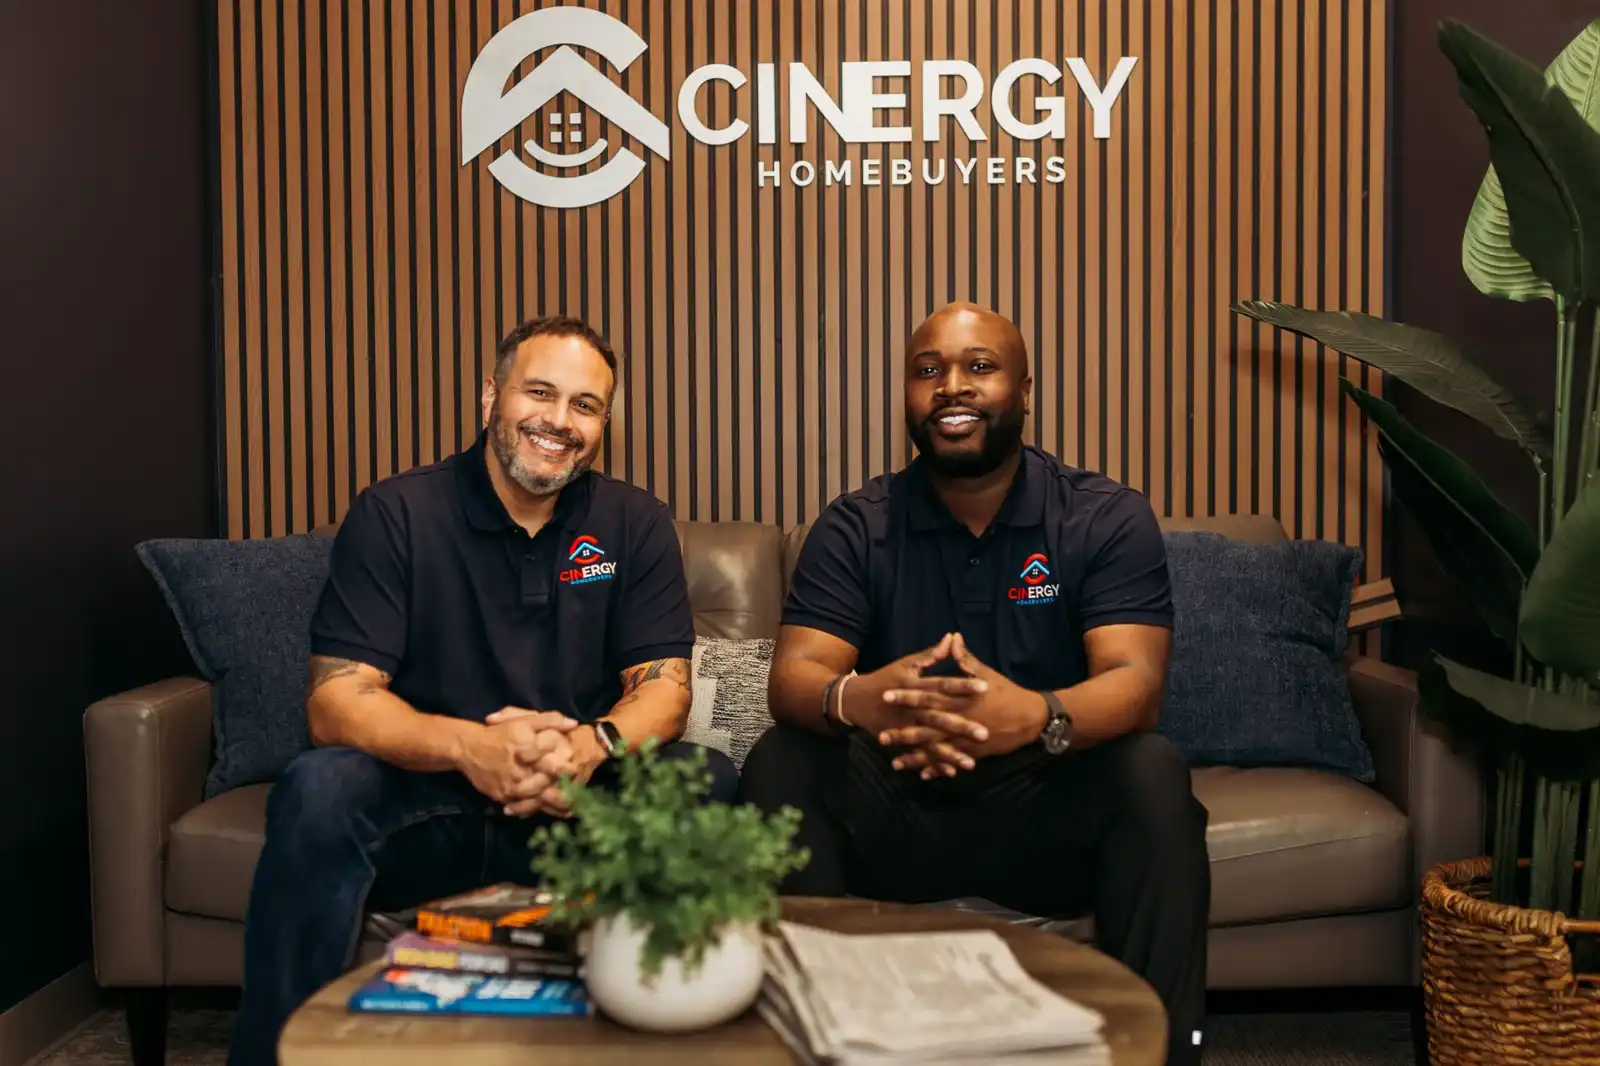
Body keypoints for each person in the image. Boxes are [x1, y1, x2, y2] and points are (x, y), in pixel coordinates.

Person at [228, 315, 736, 1066]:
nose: (559, 421)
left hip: (576, 808)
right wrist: (472, 748)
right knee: (318, 787)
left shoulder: (634, 522)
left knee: (704, 778)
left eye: (586, 405)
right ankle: (275, 1055)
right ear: (490, 396)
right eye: (540, 393)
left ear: (604, 423)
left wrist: (588, 749)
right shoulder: (397, 512)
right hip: (433, 801)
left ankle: (669, 1045)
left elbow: (665, 689)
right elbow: (336, 701)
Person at [738, 302, 1211, 1066]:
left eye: (979, 367)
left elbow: (1134, 682)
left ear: (1025, 390)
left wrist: (1034, 716)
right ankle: (809, 1044)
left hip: (1046, 807)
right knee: (781, 761)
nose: (951, 386)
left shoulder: (1103, 516)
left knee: (1152, 773)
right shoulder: (858, 525)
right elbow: (795, 677)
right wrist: (863, 698)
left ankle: (1165, 1054)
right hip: (901, 808)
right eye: (928, 371)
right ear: (907, 396)